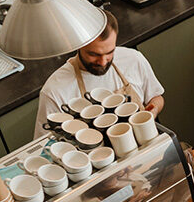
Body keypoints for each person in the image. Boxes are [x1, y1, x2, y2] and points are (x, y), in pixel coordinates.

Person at [34, 10, 165, 137]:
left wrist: (153, 111)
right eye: (93, 54)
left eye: (109, 52)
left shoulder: (132, 59)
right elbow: (46, 143)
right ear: (78, 45)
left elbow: (156, 97)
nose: (102, 62)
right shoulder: (55, 91)